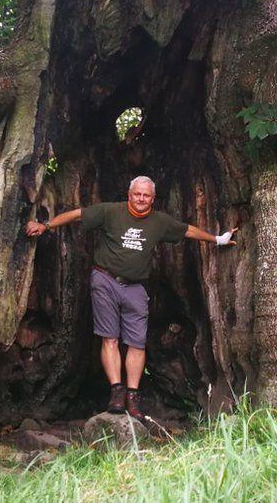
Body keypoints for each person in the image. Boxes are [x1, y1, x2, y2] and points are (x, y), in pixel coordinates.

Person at [25, 176, 237, 419]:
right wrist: (46, 225)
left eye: (146, 196)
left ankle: (132, 397)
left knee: (136, 343)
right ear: (129, 194)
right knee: (110, 338)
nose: (141, 199)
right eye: (137, 194)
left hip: (135, 287)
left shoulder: (159, 222)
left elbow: (187, 230)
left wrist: (218, 239)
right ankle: (117, 391)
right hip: (105, 280)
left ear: (153, 199)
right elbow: (77, 214)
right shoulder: (110, 212)